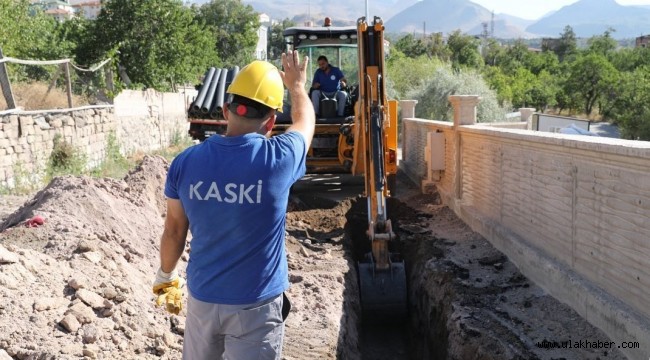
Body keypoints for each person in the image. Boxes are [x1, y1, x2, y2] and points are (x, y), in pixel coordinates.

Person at [152, 50, 315, 360]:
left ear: (226, 111)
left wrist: (165, 274)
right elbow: (306, 121)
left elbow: (174, 231)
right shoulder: (278, 159)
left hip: (202, 301)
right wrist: (296, 86)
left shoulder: (185, 162)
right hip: (255, 308)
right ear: (270, 122)